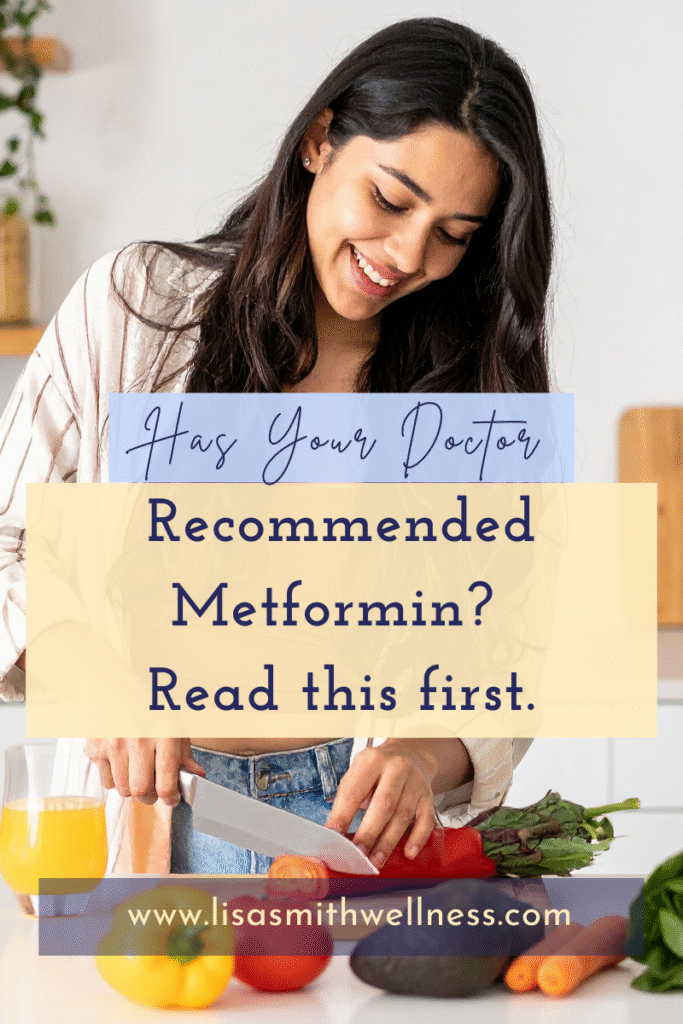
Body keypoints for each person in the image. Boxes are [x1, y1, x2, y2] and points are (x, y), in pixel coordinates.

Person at [0, 18, 549, 875]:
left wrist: (422, 753)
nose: (407, 254)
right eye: (391, 200)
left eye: (453, 234)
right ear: (319, 140)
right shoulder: (138, 309)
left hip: (342, 828)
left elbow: (506, 647)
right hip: (141, 813)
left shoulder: (463, 389)